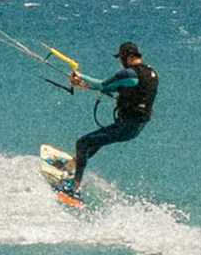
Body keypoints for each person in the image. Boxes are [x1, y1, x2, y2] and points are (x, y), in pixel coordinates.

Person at [56, 40, 154, 195]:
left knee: (83, 143)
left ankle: (74, 187)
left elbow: (102, 84)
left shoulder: (129, 73)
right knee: (97, 142)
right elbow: (127, 91)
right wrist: (83, 85)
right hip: (136, 126)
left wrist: (80, 76)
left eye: (121, 58)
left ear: (125, 57)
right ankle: (74, 165)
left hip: (126, 127)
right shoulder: (150, 73)